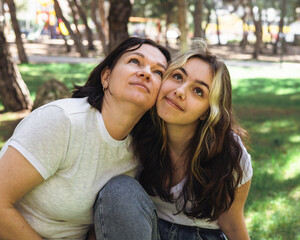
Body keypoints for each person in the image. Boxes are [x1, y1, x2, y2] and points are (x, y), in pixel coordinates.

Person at [0, 37, 171, 239]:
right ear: (106, 77)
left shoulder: (142, 148)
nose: (146, 73)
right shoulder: (62, 121)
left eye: (158, 72)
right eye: (135, 61)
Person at [96, 41, 253, 240]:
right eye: (178, 77)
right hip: (146, 230)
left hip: (202, 235)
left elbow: (232, 223)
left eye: (198, 91)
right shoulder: (136, 131)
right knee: (118, 191)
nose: (180, 91)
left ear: (207, 111)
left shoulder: (229, 155)